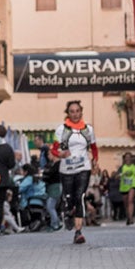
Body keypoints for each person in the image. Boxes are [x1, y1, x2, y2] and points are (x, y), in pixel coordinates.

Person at [54, 100, 96, 246]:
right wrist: (60, 154)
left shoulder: (88, 129)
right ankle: (68, 212)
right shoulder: (61, 129)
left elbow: (94, 147)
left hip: (84, 168)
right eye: (72, 111)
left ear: (81, 112)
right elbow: (54, 149)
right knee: (69, 198)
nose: (75, 114)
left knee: (80, 197)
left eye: (77, 111)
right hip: (66, 170)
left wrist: (95, 161)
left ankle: (78, 232)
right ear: (68, 113)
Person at [116, 151, 135, 226]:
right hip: (124, 186)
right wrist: (122, 174)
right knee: (126, 203)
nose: (128, 159)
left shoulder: (134, 167)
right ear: (124, 159)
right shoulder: (122, 167)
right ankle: (128, 216)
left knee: (130, 200)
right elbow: (116, 176)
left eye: (129, 157)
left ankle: (130, 218)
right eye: (126, 157)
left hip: (132, 185)